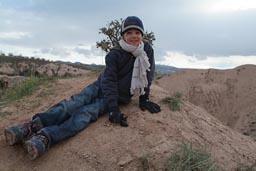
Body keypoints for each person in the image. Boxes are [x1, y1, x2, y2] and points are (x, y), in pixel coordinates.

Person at [4, 16, 161, 160]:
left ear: (142, 34)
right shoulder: (115, 53)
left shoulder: (146, 51)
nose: (133, 36)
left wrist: (144, 98)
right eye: (129, 32)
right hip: (101, 86)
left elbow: (148, 73)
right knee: (73, 104)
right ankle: (33, 126)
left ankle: (46, 136)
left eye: (137, 32)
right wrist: (114, 108)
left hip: (121, 96)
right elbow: (109, 80)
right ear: (123, 35)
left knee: (85, 114)